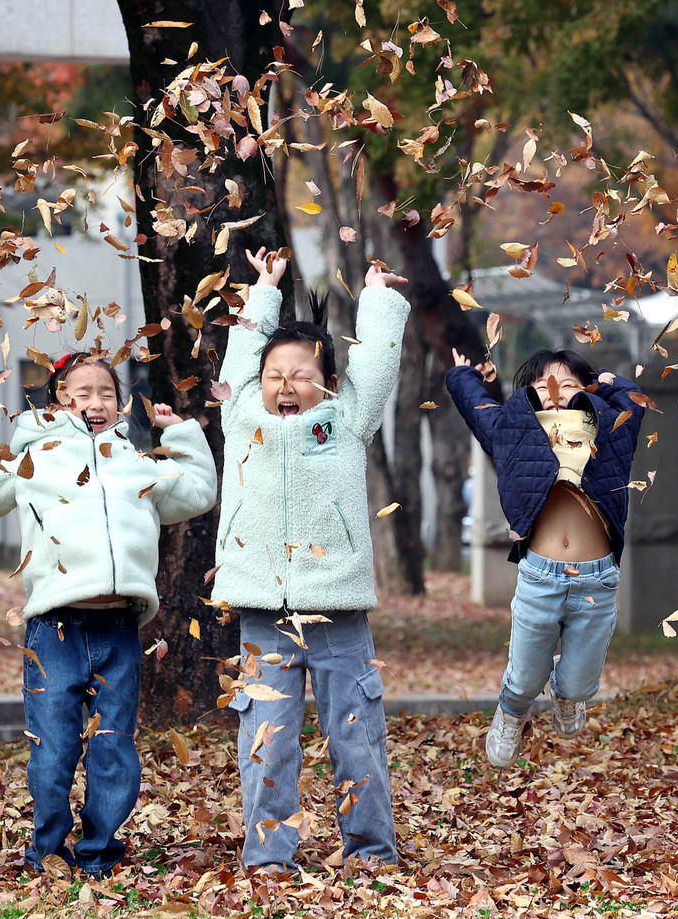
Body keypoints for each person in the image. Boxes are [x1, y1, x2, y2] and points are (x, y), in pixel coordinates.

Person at [0, 352, 217, 878]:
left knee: (113, 748)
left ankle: (99, 851)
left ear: (119, 406)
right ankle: (48, 850)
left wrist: (182, 434)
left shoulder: (135, 463)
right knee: (52, 750)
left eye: (106, 393)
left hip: (119, 628)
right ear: (57, 401)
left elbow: (198, 492)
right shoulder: (35, 457)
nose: (95, 401)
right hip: (55, 628)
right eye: (81, 391)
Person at [215, 248, 410, 871]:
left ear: (326, 381)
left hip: (338, 613)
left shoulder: (348, 419)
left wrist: (376, 300)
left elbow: (375, 365)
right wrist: (263, 290)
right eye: (276, 374)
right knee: (266, 744)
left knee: (357, 738)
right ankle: (270, 857)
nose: (286, 386)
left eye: (301, 374)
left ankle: (372, 851)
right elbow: (239, 359)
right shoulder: (242, 417)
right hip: (262, 614)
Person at [445, 347, 644, 768]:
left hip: (598, 579)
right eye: (544, 386)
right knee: (523, 677)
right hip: (540, 575)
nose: (556, 393)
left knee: (578, 683)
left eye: (569, 384)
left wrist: (607, 382)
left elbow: (633, 398)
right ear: (529, 395)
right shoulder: (513, 431)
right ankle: (513, 711)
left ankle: (567, 696)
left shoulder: (613, 429)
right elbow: (476, 407)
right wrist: (462, 375)